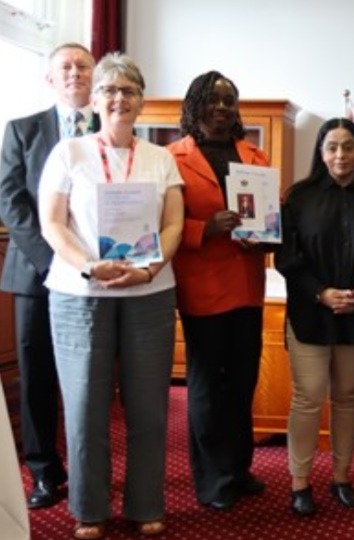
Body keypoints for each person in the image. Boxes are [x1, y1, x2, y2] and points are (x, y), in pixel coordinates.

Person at [37, 52, 184, 540]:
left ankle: (145, 504)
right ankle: (89, 509)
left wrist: (154, 266)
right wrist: (87, 265)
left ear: (142, 102)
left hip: (150, 292)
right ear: (95, 99)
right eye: (110, 90)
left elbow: (174, 222)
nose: (119, 99)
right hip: (80, 293)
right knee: (84, 406)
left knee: (148, 406)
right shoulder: (69, 153)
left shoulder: (161, 158)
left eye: (129, 91)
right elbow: (52, 222)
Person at [0, 42, 97, 510]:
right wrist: (54, 259)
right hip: (36, 273)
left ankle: (90, 468)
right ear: (50, 78)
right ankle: (43, 471)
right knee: (37, 375)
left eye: (83, 66)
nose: (75, 73)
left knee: (89, 377)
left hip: (97, 275)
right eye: (66, 67)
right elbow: (12, 205)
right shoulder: (21, 130)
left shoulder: (111, 130)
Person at [168, 71, 269, 511]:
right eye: (214, 99)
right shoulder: (172, 157)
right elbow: (159, 223)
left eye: (230, 100)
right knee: (208, 387)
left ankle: (239, 468)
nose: (223, 107)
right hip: (202, 288)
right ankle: (212, 480)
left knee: (242, 383)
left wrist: (265, 235)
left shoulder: (255, 156)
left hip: (248, 285)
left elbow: (270, 218)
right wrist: (204, 229)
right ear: (197, 104)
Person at [275, 118, 354, 516]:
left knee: (347, 397)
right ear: (321, 152)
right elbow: (286, 257)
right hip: (310, 312)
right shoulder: (298, 197)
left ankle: (342, 477)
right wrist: (322, 293)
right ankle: (299, 482)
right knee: (307, 398)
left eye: (349, 146)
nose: (341, 154)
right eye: (332, 147)